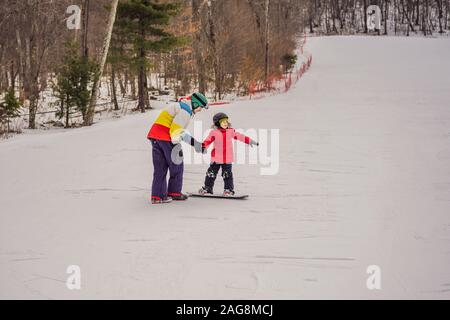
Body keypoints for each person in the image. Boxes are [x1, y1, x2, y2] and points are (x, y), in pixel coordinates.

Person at [147, 92, 208, 204]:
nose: (200, 110)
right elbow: (176, 131)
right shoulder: (185, 110)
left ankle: (158, 196)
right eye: (200, 107)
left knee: (160, 168)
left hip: (155, 137)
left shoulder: (179, 105)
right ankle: (174, 193)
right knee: (177, 165)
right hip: (167, 138)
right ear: (195, 103)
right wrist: (194, 144)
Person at [199, 112, 258, 196]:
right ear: (217, 123)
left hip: (227, 159)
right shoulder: (214, 132)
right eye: (223, 122)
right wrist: (203, 146)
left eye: (226, 121)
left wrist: (249, 141)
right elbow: (207, 140)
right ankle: (208, 188)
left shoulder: (230, 131)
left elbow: (240, 136)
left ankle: (228, 190)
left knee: (227, 175)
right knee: (211, 174)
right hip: (216, 158)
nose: (225, 123)